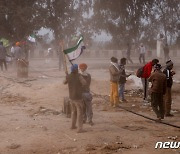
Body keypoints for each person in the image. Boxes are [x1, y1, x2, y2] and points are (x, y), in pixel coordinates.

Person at [64, 64, 87, 133]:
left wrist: (67, 76)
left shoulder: (68, 76)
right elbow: (84, 83)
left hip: (71, 97)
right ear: (76, 69)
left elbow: (64, 82)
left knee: (73, 112)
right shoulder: (79, 76)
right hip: (78, 97)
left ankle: (73, 125)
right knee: (80, 113)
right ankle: (80, 129)